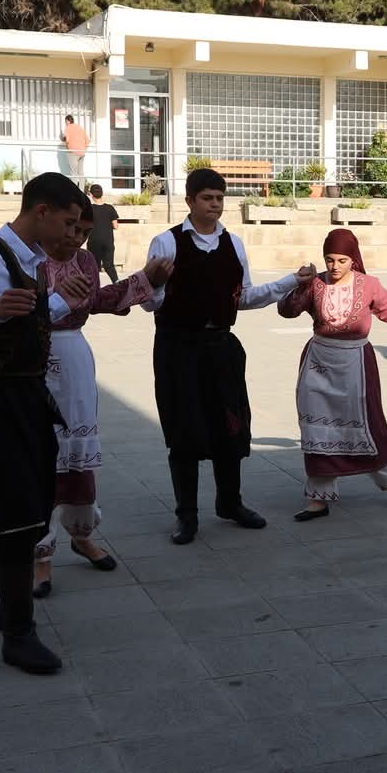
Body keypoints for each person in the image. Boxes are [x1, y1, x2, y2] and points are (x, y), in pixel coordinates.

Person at [0, 172, 89, 674]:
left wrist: (61, 299)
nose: (72, 234)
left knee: (7, 509)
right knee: (17, 516)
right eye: (68, 223)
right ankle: (18, 635)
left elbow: (29, 316)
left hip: (22, 400)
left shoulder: (32, 261)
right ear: (41, 212)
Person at [141, 167, 315, 543]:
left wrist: (290, 281)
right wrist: (153, 283)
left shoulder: (234, 244)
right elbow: (149, 303)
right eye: (207, 198)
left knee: (230, 426)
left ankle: (230, 503)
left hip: (222, 347)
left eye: (220, 198)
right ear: (190, 200)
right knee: (184, 431)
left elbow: (244, 296)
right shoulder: (166, 242)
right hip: (178, 349)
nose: (215, 204)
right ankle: (187, 515)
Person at [31, 202, 173, 599]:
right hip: (32, 359)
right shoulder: (29, 261)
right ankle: (40, 555)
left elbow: (100, 300)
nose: (76, 238)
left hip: (74, 360)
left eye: (83, 232)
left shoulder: (86, 262)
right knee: (42, 456)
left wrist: (146, 280)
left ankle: (82, 536)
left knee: (77, 452)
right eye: (70, 227)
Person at [279, 230, 387, 520]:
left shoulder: (368, 285)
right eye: (329, 259)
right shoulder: (315, 284)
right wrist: (301, 284)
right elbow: (287, 310)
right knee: (317, 428)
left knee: (369, 425)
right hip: (318, 362)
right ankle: (318, 497)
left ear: (353, 259)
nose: (335, 266)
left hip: (355, 363)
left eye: (342, 260)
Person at [85, 184, 121, 282]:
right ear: (102, 194)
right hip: (108, 242)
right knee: (109, 265)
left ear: (91, 194)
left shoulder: (89, 209)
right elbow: (115, 226)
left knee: (94, 267)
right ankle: (117, 284)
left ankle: (94, 288)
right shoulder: (110, 208)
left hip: (94, 241)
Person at [60, 114, 89, 180]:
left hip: (73, 152)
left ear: (67, 121)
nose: (65, 123)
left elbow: (67, 140)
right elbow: (87, 140)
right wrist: (84, 149)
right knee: (81, 172)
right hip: (82, 152)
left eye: (65, 122)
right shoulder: (80, 127)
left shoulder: (68, 128)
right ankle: (81, 187)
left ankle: (73, 187)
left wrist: (63, 137)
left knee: (73, 173)